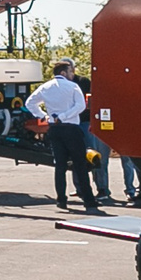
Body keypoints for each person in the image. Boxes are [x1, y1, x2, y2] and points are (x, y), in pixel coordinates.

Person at [25, 59, 98, 212]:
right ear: (63, 73)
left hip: (54, 128)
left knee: (60, 165)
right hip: (71, 127)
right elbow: (81, 106)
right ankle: (89, 200)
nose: (73, 74)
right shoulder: (72, 87)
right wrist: (65, 116)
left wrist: (44, 116)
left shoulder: (45, 87)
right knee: (80, 164)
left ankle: (61, 200)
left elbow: (30, 103)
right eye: (70, 71)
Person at [76, 72, 117, 205]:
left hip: (96, 125)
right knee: (92, 158)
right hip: (91, 124)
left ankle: (103, 189)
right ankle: (95, 188)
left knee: (99, 160)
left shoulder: (85, 82)